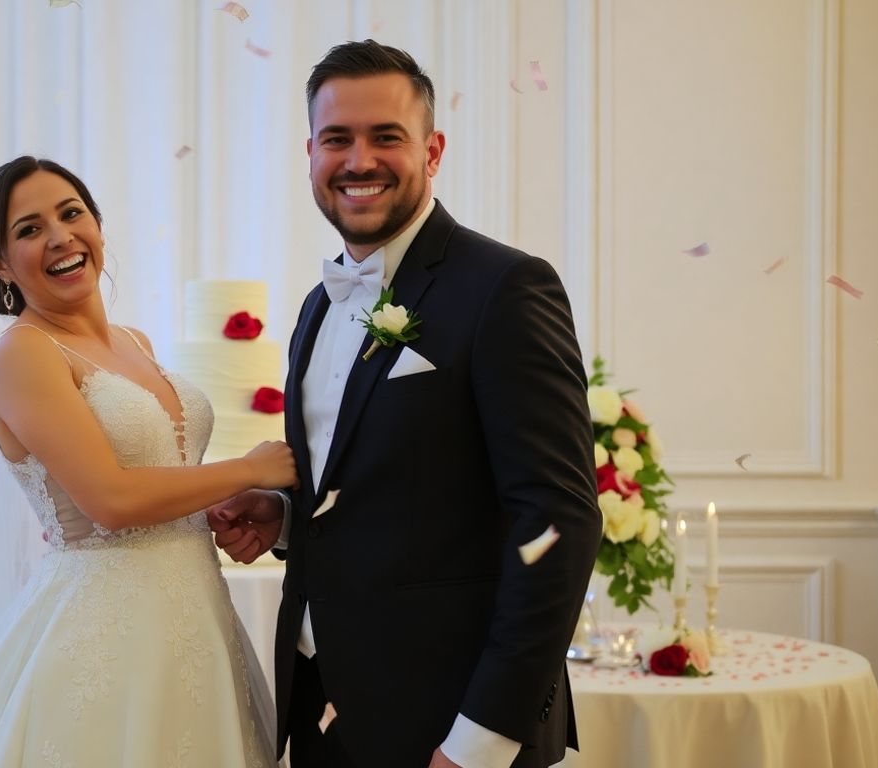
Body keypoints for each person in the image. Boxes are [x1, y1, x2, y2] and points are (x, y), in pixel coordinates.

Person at [209, 40, 600, 768]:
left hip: (449, 729)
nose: (359, 160)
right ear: (311, 154)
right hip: (321, 713)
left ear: (432, 149)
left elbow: (557, 525)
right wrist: (288, 516)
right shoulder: (314, 310)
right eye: (337, 139)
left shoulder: (505, 289)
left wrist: (478, 744)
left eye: (386, 136)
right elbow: (391, 487)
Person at [0, 156, 295, 767]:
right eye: (29, 230)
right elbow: (108, 501)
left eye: (71, 213)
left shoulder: (135, 342)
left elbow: (158, 471)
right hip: (106, 637)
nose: (59, 236)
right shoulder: (23, 354)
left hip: (196, 621)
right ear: (0, 264)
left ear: (98, 228)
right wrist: (251, 468)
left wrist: (215, 503)